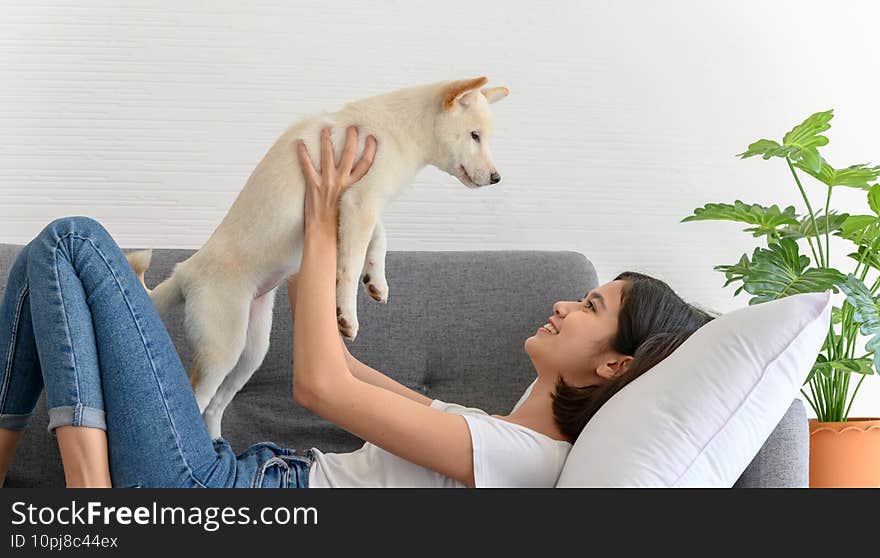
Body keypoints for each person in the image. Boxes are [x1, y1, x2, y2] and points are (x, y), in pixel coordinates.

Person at [0, 127, 714, 488]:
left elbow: (320, 385)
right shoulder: (492, 431)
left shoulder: (521, 458)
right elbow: (338, 360)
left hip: (217, 494)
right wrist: (296, 247)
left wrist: (322, 220)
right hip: (236, 472)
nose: (562, 304)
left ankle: (94, 513)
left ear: (614, 364)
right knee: (44, 259)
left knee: (72, 241)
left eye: (588, 307)